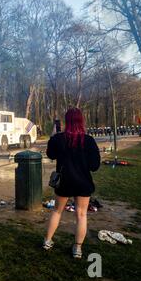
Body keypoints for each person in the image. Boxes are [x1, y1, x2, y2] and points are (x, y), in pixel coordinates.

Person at [43, 108, 101, 259]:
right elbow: (95, 166)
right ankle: (77, 249)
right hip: (83, 182)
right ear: (81, 121)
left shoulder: (58, 139)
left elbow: (50, 154)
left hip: (64, 182)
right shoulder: (88, 140)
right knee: (81, 215)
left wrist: (52, 136)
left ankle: (47, 241)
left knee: (57, 211)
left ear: (66, 121)